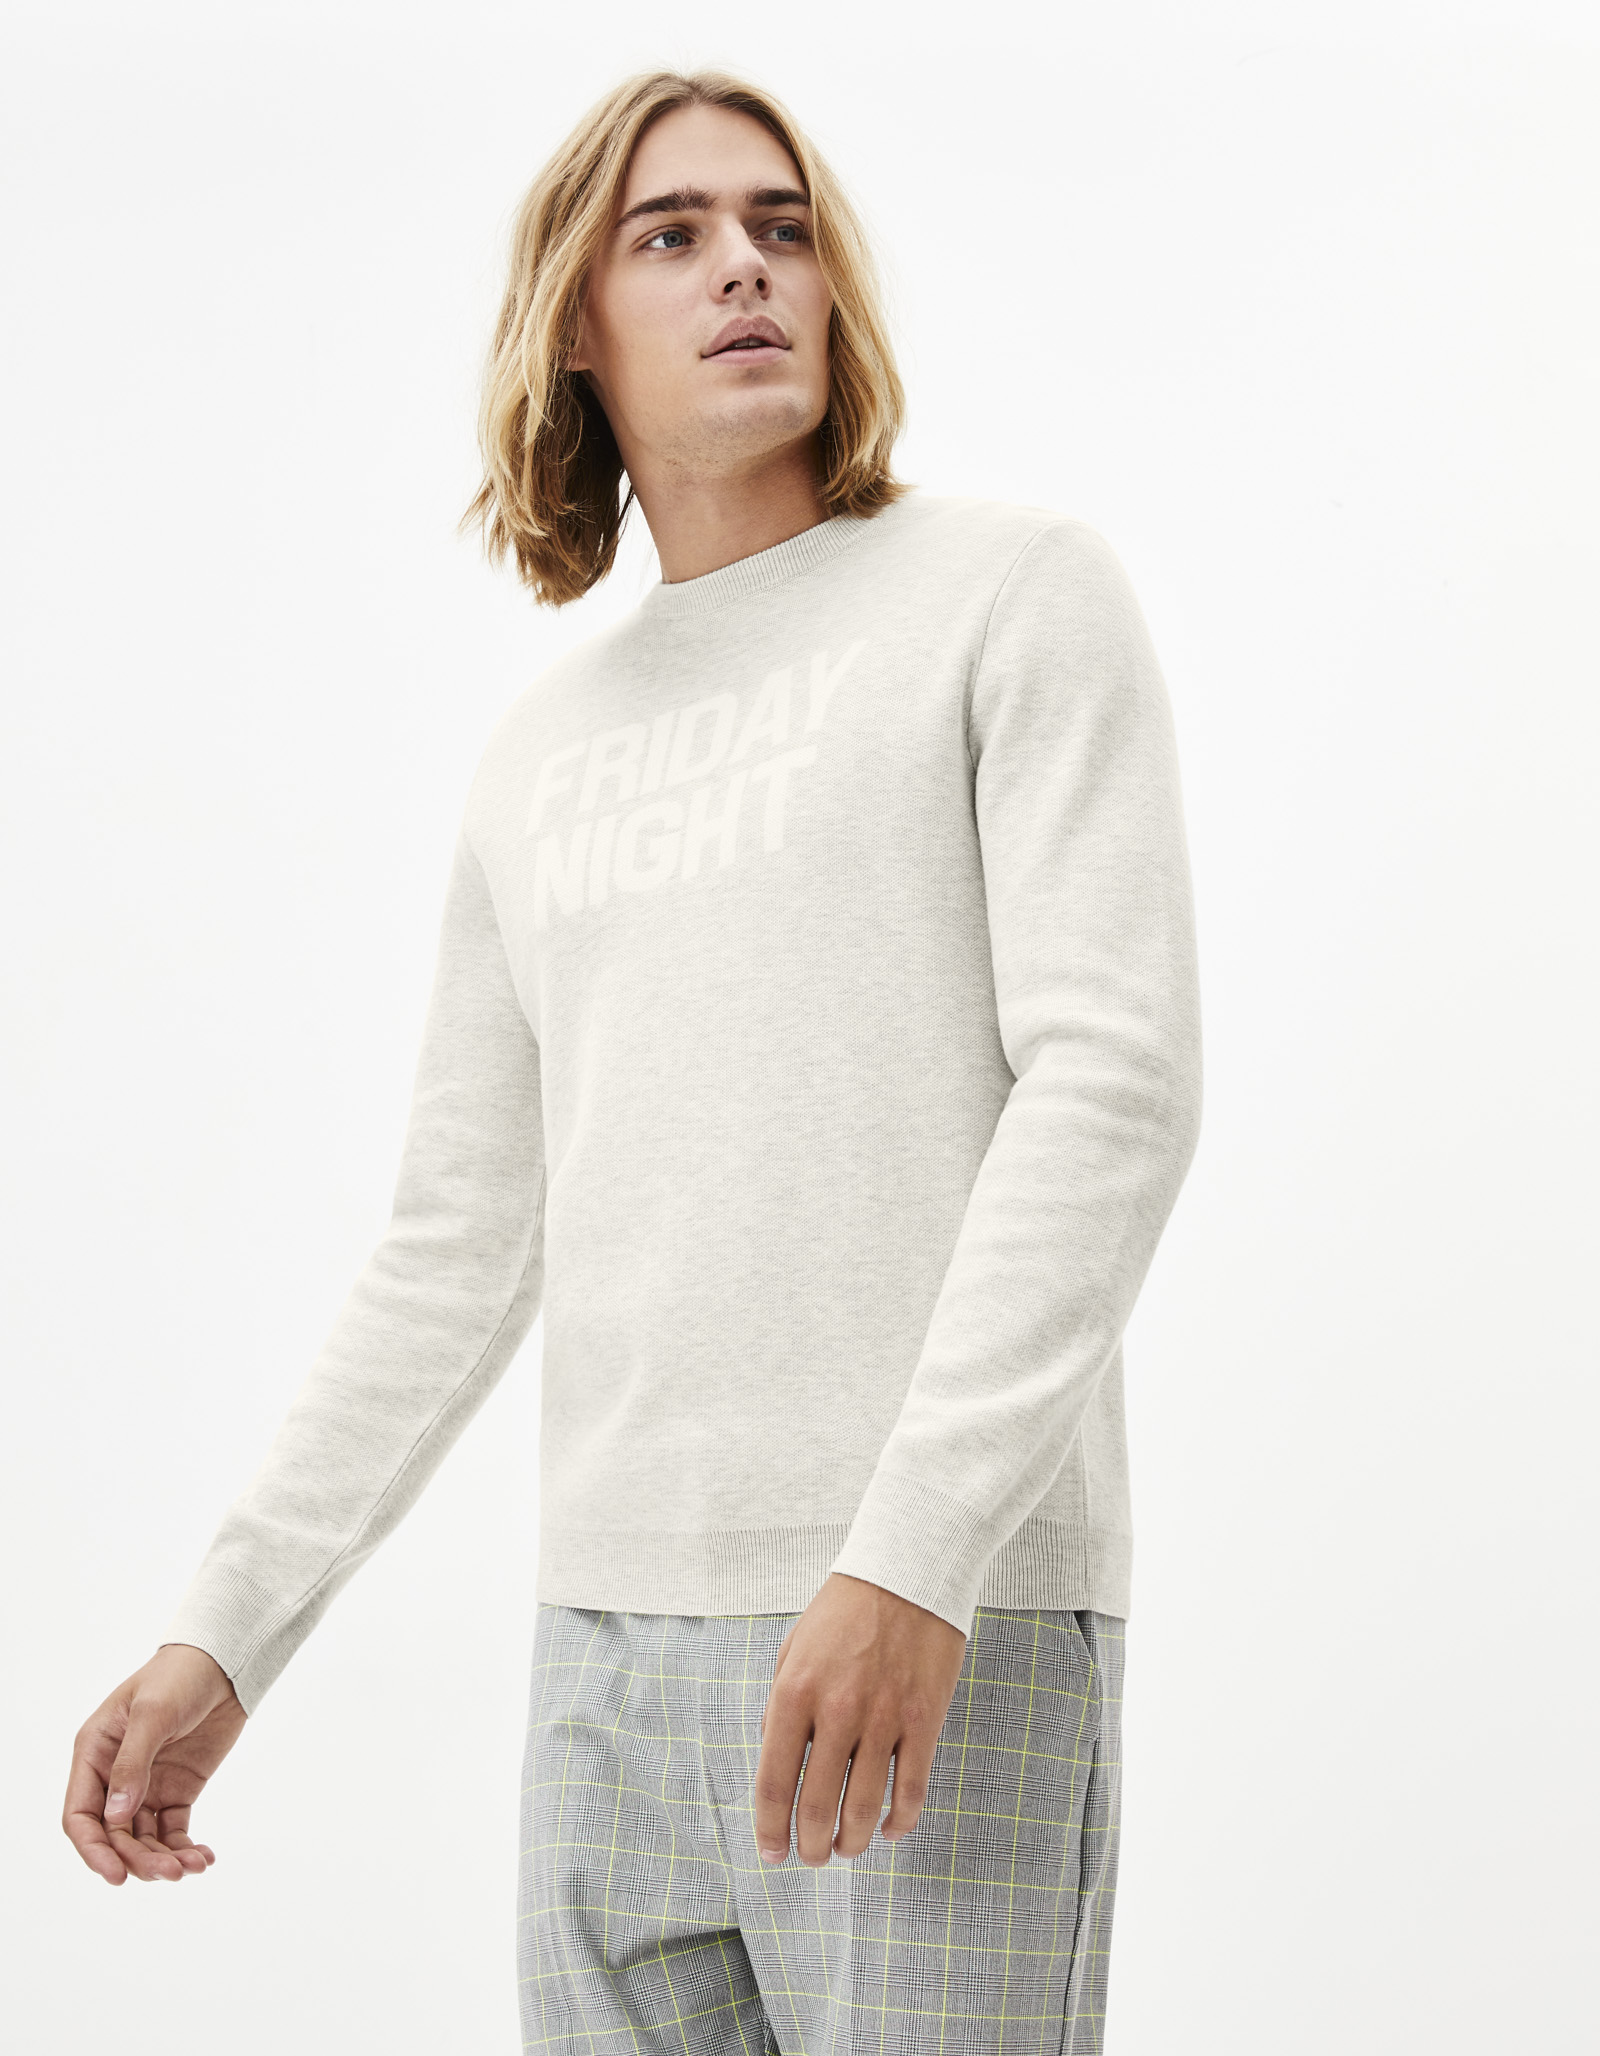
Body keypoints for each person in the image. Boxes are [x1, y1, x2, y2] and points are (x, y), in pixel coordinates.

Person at [63, 66, 1202, 2053]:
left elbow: (1111, 1087)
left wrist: (914, 1554)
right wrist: (226, 1629)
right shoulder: (542, 756)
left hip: (931, 1617)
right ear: (572, 326)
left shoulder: (1009, 593)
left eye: (779, 226)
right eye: (669, 235)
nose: (742, 266)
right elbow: (457, 1240)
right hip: (601, 1655)